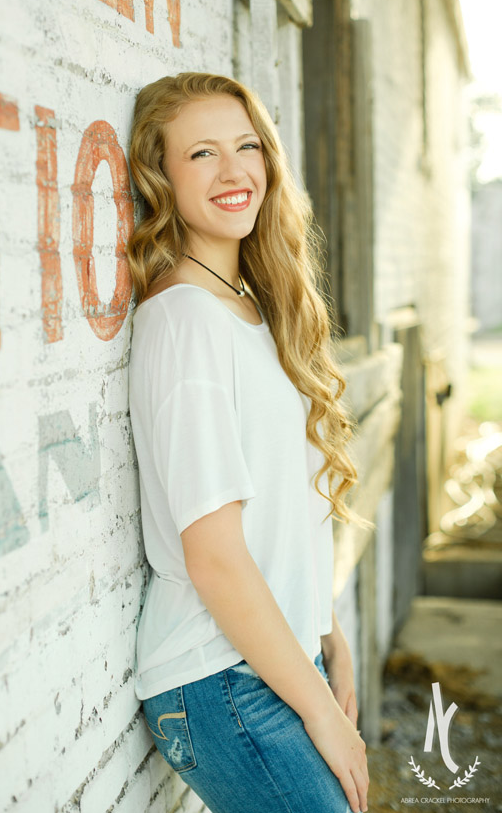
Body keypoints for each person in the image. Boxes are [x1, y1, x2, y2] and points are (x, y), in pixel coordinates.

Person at [126, 71, 374, 813]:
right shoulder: (185, 323)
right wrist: (321, 712)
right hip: (219, 680)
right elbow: (216, 556)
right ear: (160, 178)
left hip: (271, 662)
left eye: (247, 146)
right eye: (201, 154)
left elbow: (282, 506)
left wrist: (327, 631)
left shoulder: (253, 310)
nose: (235, 171)